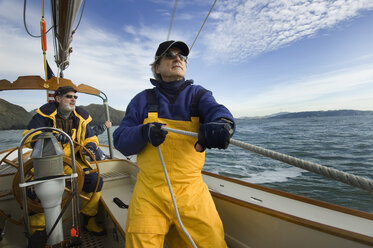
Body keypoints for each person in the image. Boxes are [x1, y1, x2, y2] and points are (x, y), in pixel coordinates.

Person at [113, 40, 235, 247]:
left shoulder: (199, 95)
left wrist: (224, 124)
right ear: (157, 67)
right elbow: (121, 140)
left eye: (182, 56)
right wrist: (144, 132)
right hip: (149, 193)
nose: (178, 58)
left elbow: (218, 112)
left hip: (192, 191)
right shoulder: (141, 100)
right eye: (170, 55)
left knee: (213, 242)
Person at [23, 86, 105, 236]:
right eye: (68, 96)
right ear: (58, 99)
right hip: (47, 162)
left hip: (73, 161)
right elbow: (28, 136)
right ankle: (37, 231)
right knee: (34, 192)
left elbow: (90, 138)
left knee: (95, 180)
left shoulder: (81, 117)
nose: (73, 99)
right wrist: (49, 137)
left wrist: (91, 146)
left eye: (75, 97)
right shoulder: (44, 115)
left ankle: (89, 220)